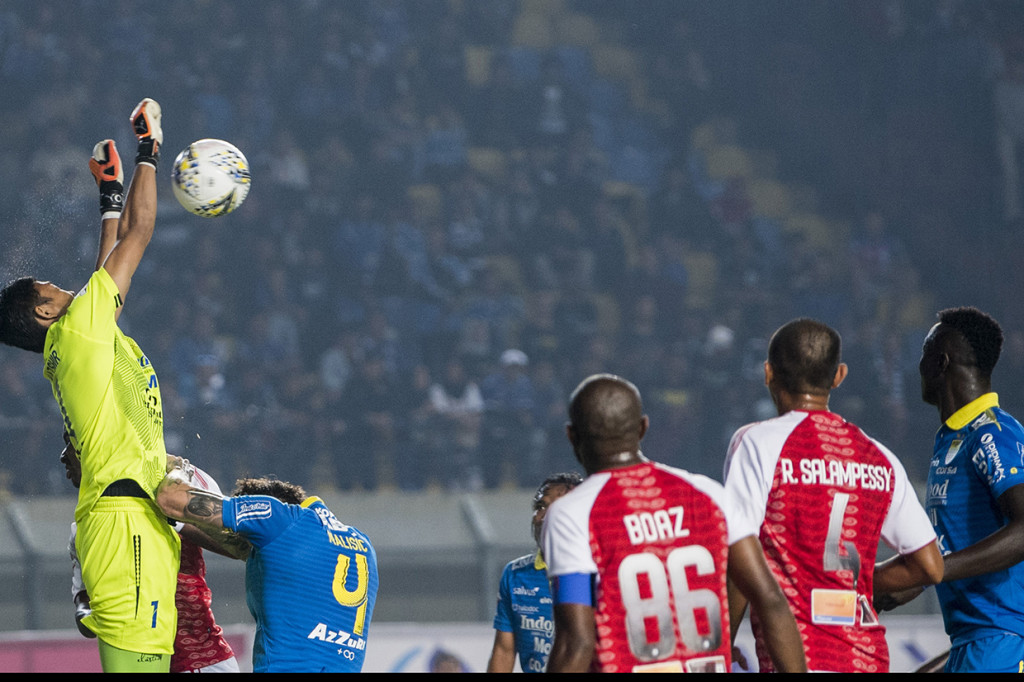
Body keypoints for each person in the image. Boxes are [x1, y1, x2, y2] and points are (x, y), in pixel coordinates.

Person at [0, 99, 178, 672]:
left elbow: (109, 261)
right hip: (124, 524)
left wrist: (109, 198)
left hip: (128, 520)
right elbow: (143, 232)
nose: (70, 288)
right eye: (54, 289)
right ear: (47, 315)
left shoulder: (78, 338)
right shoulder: (80, 333)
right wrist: (149, 149)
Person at [540, 374, 807, 673]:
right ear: (643, 428)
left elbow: (575, 641)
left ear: (571, 436)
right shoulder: (709, 495)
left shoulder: (572, 513)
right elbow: (770, 599)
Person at [722, 318, 943, 673]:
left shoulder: (757, 442)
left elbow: (739, 554)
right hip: (868, 657)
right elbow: (930, 566)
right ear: (838, 376)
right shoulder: (880, 457)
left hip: (797, 658)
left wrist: (722, 645)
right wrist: (852, 583)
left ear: (768, 373)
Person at [154, 468, 379, 673]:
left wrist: (179, 469)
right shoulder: (362, 544)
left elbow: (170, 499)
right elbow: (244, 550)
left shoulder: (276, 516)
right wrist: (183, 526)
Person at [61, 438, 239, 672]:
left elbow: (234, 544)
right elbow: (82, 599)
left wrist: (174, 519)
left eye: (69, 441)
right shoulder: (84, 529)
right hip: (137, 662)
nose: (63, 455)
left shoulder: (181, 475)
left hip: (199, 660)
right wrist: (92, 614)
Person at [914, 306, 1024, 672]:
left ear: (940, 361)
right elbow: (942, 559)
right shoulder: (951, 440)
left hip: (1002, 640)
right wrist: (896, 582)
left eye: (924, 352)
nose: (918, 365)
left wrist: (933, 571)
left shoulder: (991, 433)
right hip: (972, 640)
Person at [486, 471, 583, 673]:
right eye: (540, 507)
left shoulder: (600, 572)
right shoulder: (515, 574)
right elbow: (504, 651)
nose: (541, 517)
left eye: (555, 508)